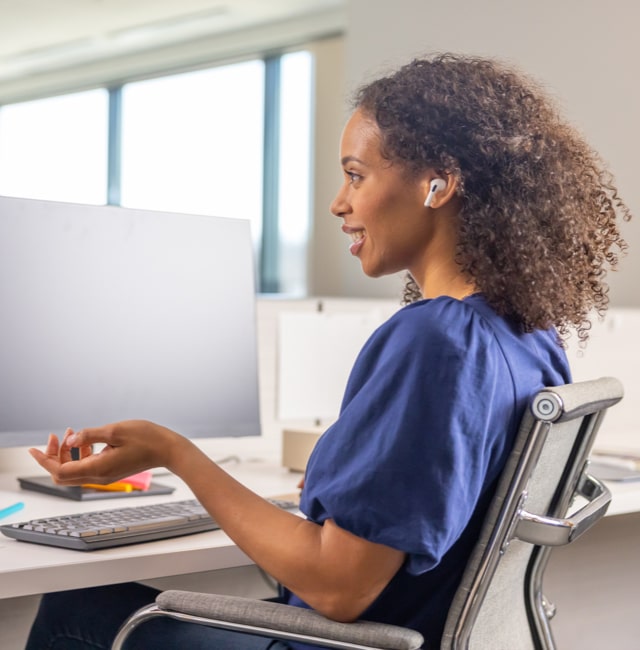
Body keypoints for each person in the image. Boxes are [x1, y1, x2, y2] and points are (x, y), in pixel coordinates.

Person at [25, 53, 630, 650]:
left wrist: (174, 452)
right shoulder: (525, 334)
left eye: (356, 176)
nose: (339, 203)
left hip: (356, 642)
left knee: (79, 609)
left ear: (437, 183)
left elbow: (340, 589)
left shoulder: (434, 340)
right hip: (414, 635)